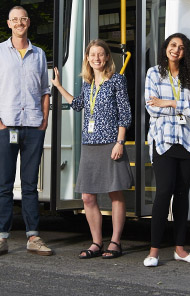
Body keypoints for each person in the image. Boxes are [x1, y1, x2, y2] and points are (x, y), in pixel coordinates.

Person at [51, 39, 132, 259]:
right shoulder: (87, 84)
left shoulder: (117, 80)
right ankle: (96, 242)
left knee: (115, 193)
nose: (96, 58)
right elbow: (78, 105)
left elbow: (125, 114)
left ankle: (115, 241)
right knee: (87, 196)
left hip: (110, 143)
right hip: (90, 144)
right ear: (87, 58)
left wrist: (120, 142)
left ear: (107, 57)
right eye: (92, 54)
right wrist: (58, 87)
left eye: (100, 54)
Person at [0, 6, 52, 258]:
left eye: (23, 19)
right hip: (7, 127)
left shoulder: (39, 54)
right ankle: (1, 238)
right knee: (4, 184)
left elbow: (45, 91)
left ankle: (33, 236)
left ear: (28, 23)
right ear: (9, 24)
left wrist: (44, 121)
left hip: (33, 127)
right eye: (15, 19)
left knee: (31, 185)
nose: (19, 23)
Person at [143, 33, 190, 267]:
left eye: (181, 47)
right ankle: (153, 252)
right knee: (163, 194)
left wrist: (169, 103)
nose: (176, 50)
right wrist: (187, 106)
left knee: (182, 196)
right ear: (166, 48)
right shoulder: (153, 73)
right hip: (164, 140)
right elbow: (152, 108)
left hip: (189, 141)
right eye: (173, 45)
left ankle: (179, 249)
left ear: (186, 52)